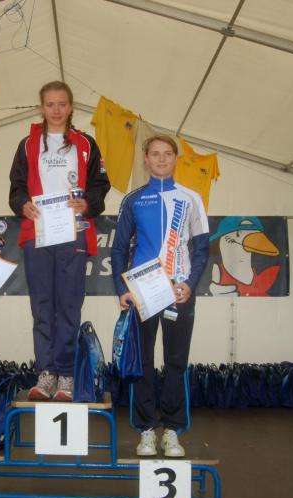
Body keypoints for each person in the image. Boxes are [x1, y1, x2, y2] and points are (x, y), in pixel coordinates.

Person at [9, 80, 110, 401]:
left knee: (68, 304)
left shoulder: (86, 144)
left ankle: (66, 374)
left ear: (71, 107)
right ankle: (46, 373)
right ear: (41, 107)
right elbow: (16, 187)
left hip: (72, 232)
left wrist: (87, 202)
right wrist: (22, 204)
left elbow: (101, 184)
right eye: (50, 104)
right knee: (42, 306)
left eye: (62, 104)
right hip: (37, 232)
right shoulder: (28, 144)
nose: (56, 110)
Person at [111, 134, 209, 457]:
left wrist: (190, 284)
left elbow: (202, 249)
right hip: (143, 291)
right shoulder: (133, 200)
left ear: (176, 159)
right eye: (155, 154)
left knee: (176, 362)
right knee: (142, 362)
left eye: (168, 153)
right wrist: (122, 290)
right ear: (146, 159)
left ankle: (172, 430)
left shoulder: (191, 198)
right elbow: (118, 249)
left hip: (180, 291)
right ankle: (146, 430)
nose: (162, 159)